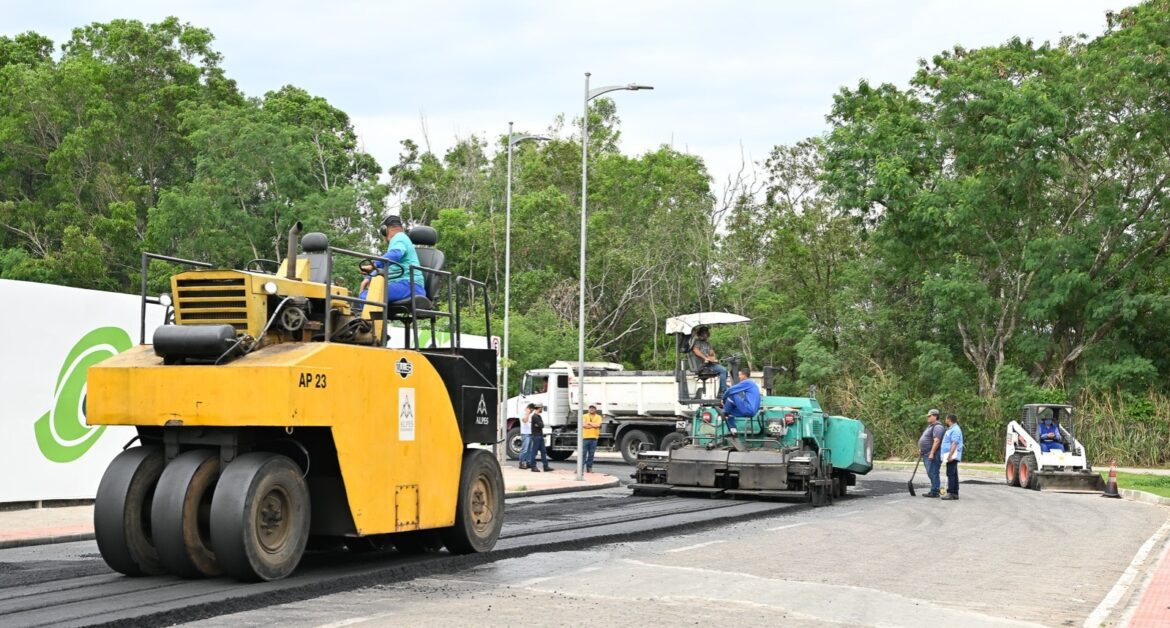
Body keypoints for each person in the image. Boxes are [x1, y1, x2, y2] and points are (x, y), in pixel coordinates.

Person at [359, 215, 426, 305]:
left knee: (367, 296)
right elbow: (386, 267)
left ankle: (367, 319)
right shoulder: (400, 240)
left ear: (384, 230)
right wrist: (369, 277)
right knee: (370, 293)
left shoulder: (399, 237)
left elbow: (396, 254)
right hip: (404, 285)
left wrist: (373, 265)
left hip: (409, 286)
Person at [721, 368, 761, 437]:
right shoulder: (753, 383)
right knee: (730, 412)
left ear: (744, 375)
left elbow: (731, 390)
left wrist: (723, 399)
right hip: (753, 412)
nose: (739, 377)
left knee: (732, 395)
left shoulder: (748, 382)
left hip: (748, 409)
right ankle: (733, 431)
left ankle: (724, 412)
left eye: (740, 375)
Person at [690, 325, 729, 397]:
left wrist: (713, 358)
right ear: (699, 334)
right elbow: (696, 350)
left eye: (705, 333)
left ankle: (722, 389)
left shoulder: (707, 343)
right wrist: (705, 358)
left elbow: (712, 353)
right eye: (703, 333)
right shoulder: (697, 342)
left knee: (725, 370)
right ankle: (722, 392)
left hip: (709, 364)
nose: (704, 335)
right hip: (702, 365)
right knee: (723, 370)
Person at [918, 409, 945, 498]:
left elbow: (937, 441)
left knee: (933, 472)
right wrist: (922, 449)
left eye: (930, 416)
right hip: (926, 453)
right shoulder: (930, 426)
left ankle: (935, 491)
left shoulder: (938, 427)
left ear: (935, 416)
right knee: (931, 472)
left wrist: (932, 453)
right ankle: (935, 489)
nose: (928, 417)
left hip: (933, 454)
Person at [940, 413, 964, 501]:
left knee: (950, 473)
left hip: (952, 455)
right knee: (954, 474)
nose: (945, 421)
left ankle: (950, 492)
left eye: (946, 419)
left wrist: (950, 456)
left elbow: (954, 443)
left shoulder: (955, 430)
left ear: (949, 420)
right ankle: (955, 493)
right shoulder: (951, 429)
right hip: (950, 455)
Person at [529, 403, 551, 472]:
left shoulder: (539, 416)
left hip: (540, 435)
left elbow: (542, 425)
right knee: (534, 452)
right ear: (539, 408)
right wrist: (539, 424)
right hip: (536, 436)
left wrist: (539, 424)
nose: (542, 409)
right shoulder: (534, 416)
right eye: (541, 408)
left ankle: (546, 466)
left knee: (543, 451)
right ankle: (533, 466)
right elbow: (541, 425)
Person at [582, 404, 602, 473]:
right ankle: (580, 468)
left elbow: (598, 425)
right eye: (590, 408)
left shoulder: (598, 417)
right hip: (585, 437)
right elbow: (583, 425)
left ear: (595, 409)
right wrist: (593, 424)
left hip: (594, 438)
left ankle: (589, 468)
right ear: (588, 409)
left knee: (591, 454)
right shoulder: (584, 416)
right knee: (583, 454)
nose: (592, 409)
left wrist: (589, 423)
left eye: (593, 408)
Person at [518, 404, 534, 469]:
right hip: (525, 434)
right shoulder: (523, 414)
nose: (531, 411)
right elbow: (525, 420)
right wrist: (527, 413)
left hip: (530, 434)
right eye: (531, 410)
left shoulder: (530, 415)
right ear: (528, 408)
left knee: (530, 450)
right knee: (524, 449)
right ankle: (521, 462)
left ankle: (528, 462)